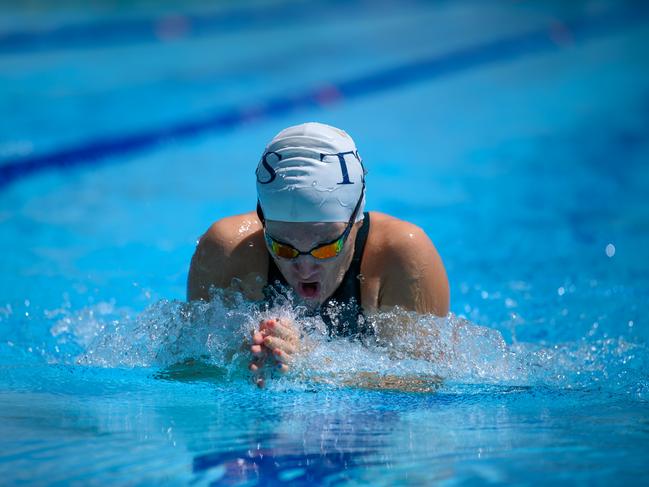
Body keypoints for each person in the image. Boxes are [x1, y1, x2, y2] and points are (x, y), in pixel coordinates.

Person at [187, 122, 449, 386]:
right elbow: (189, 372)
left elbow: (424, 385)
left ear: (355, 222)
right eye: (283, 247)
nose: (305, 267)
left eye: (326, 247)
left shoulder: (400, 256)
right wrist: (236, 358)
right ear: (263, 223)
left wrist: (313, 364)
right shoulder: (228, 251)